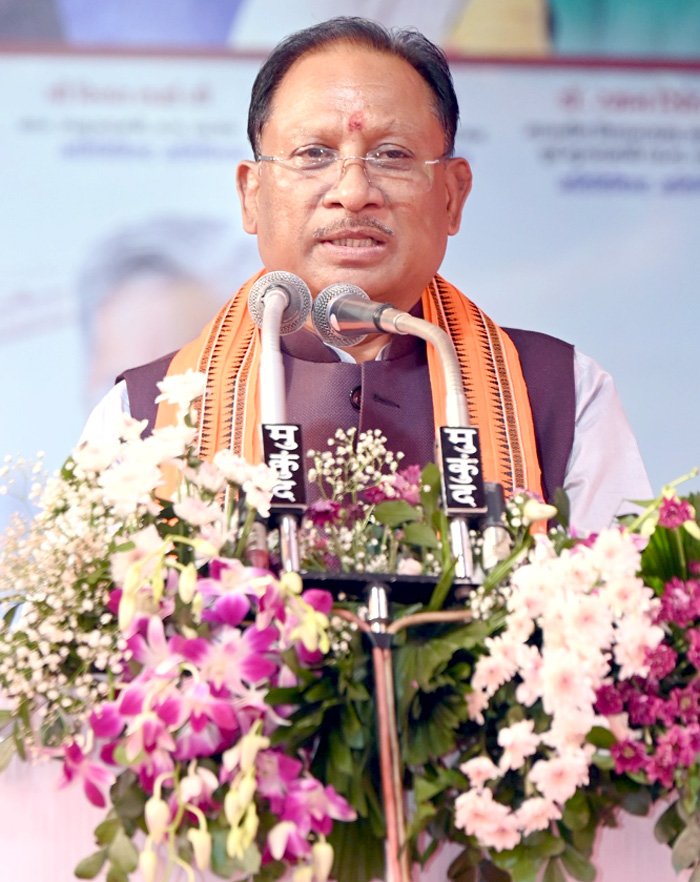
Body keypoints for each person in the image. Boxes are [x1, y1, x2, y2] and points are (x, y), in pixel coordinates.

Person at [82, 15, 651, 535]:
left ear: (452, 196)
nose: (353, 192)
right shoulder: (139, 415)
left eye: (392, 154)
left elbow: (615, 603)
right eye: (313, 153)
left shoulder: (563, 394)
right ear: (251, 195)